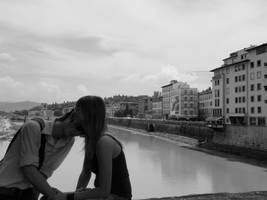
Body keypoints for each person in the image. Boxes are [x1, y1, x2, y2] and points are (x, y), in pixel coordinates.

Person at [0, 96, 89, 200]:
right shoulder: (33, 127)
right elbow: (29, 170)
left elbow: (43, 174)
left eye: (83, 132)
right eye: (79, 127)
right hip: (4, 191)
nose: (78, 133)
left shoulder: (69, 142)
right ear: (71, 116)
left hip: (27, 195)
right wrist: (56, 196)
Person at [51, 96, 132, 200]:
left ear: (89, 114)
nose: (74, 112)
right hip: (104, 195)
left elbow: (104, 191)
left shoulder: (104, 143)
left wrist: (68, 197)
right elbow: (85, 173)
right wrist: (73, 195)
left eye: (78, 109)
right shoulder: (91, 140)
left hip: (116, 197)